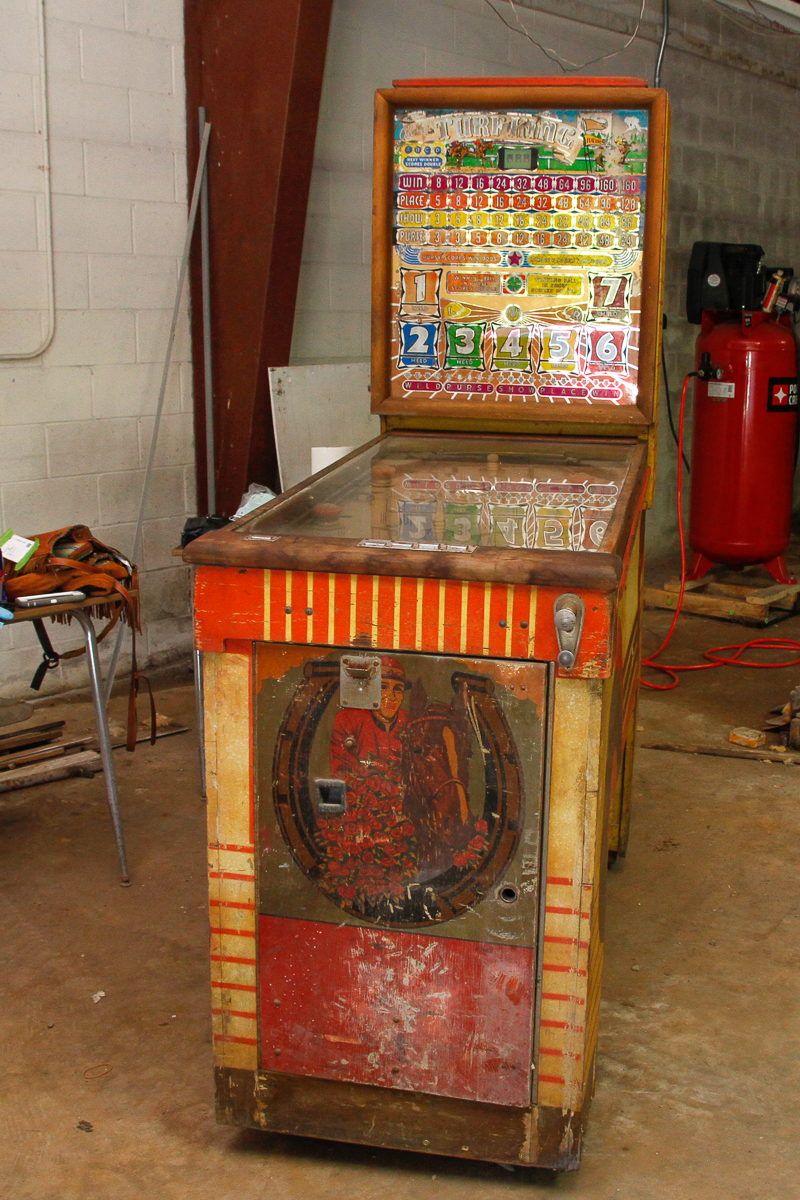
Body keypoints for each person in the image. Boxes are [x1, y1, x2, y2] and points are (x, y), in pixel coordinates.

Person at [316, 658, 416, 911]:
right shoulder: (348, 718)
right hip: (360, 810)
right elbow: (340, 771)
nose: (391, 697)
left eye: (398, 689)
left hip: (401, 811)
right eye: (383, 687)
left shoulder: (411, 721)